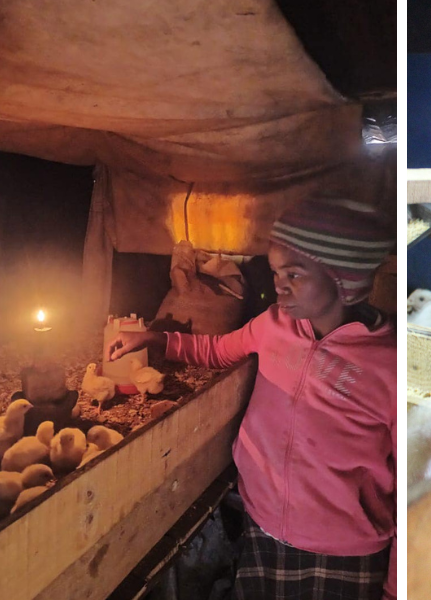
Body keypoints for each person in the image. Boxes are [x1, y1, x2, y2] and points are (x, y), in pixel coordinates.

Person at [107, 198, 397, 600]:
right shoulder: (274, 325)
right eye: (277, 271)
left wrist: (397, 588)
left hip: (344, 551)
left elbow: (415, 482)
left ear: (343, 279)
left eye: (294, 273)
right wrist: (156, 338)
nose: (279, 284)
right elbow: (218, 351)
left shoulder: (391, 365)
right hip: (261, 524)